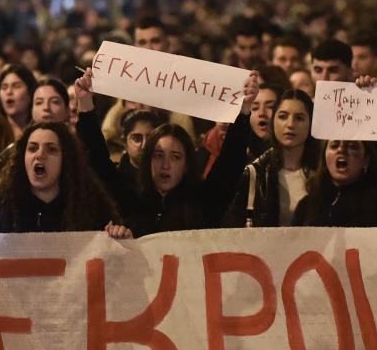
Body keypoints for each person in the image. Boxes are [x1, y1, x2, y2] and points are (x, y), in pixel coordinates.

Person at [74, 68, 259, 236]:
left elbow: (230, 165)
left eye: (176, 157)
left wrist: (243, 112)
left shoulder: (204, 203)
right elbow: (97, 162)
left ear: (187, 164)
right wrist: (85, 106)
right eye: (158, 155)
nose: (165, 165)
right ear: (148, 161)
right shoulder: (129, 201)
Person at [291, 77, 377, 227]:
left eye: (352, 146)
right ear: (324, 157)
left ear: (366, 160)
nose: (342, 150)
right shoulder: (307, 206)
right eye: (334, 145)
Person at [0, 121, 129, 236]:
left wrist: (120, 238)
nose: (40, 155)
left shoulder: (91, 205)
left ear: (66, 159)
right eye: (32, 148)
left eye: (51, 149)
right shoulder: (1, 205)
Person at [223, 89, 322, 227]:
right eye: (282, 116)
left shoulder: (323, 172)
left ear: (311, 123)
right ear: (273, 120)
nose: (290, 124)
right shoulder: (254, 173)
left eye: (299, 118)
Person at [0, 64, 37, 141]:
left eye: (16, 86)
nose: (8, 92)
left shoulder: (41, 131)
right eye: (4, 87)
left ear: (31, 92)